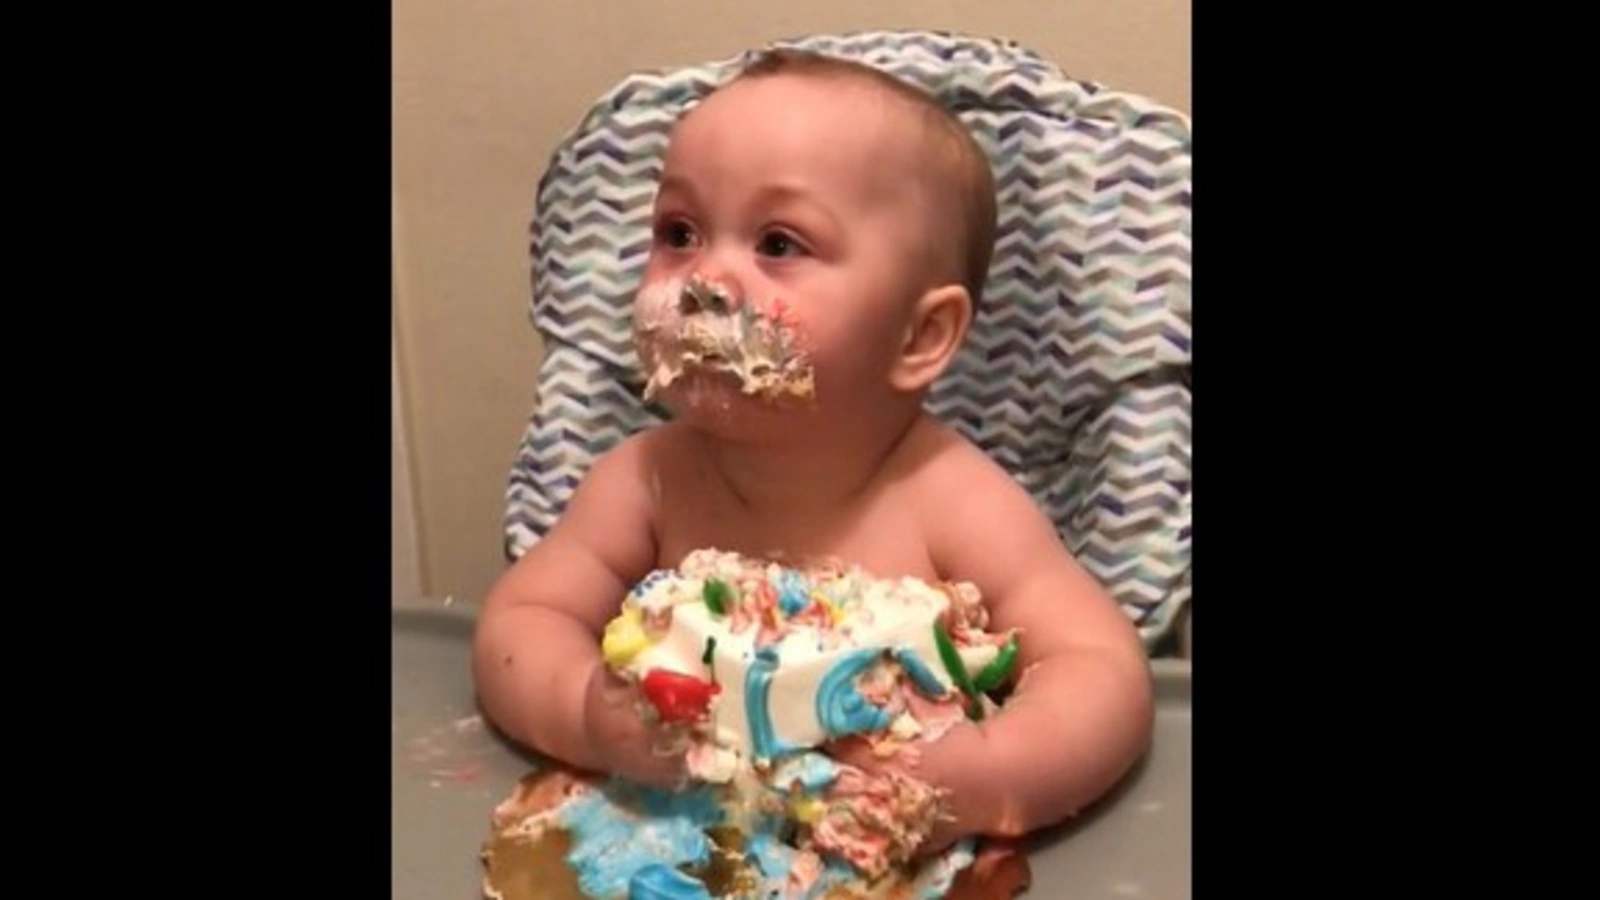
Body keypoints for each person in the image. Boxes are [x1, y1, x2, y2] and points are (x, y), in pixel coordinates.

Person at [472, 48, 1153, 855]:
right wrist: (585, 709)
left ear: (921, 334)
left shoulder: (953, 500)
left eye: (779, 244)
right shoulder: (645, 481)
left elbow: (1102, 673)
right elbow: (520, 622)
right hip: (676, 847)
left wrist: (974, 778)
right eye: (679, 233)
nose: (705, 281)